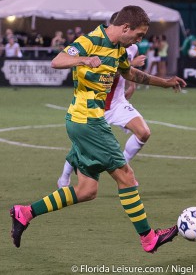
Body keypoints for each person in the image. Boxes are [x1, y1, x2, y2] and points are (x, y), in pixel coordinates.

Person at [10, 6, 186, 253]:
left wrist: (164, 83)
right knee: (126, 177)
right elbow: (57, 60)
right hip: (87, 121)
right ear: (125, 27)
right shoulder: (91, 40)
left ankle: (25, 212)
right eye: (138, 35)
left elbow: (130, 73)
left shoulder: (118, 49)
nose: (139, 40)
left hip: (87, 121)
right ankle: (148, 238)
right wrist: (83, 59)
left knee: (87, 190)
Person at [57, 11, 149, 188]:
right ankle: (65, 175)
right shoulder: (95, 43)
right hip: (96, 105)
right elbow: (110, 70)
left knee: (144, 132)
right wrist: (131, 65)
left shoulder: (131, 48)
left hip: (117, 102)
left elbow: (127, 73)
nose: (137, 39)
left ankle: (122, 167)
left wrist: (132, 85)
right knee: (81, 146)